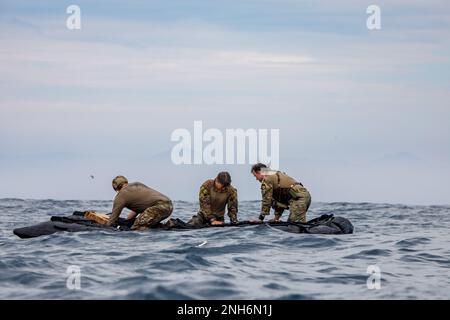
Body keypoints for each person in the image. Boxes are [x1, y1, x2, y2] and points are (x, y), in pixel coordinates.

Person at [107, 175, 173, 231]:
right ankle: (169, 225)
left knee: (136, 228)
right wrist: (127, 221)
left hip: (158, 207)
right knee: (148, 223)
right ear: (126, 182)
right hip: (169, 205)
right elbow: (138, 208)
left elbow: (112, 219)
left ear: (116, 188)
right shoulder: (137, 184)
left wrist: (106, 228)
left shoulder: (121, 196)